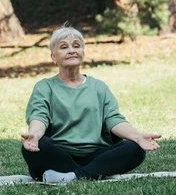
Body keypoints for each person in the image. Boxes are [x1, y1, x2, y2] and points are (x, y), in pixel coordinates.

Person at [21, 24, 161, 184]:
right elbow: (39, 116)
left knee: (135, 149)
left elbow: (114, 120)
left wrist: (138, 136)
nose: (72, 50)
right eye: (64, 47)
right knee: (37, 148)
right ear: (53, 56)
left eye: (76, 46)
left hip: (96, 153)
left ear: (82, 53)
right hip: (59, 154)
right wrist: (35, 135)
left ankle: (71, 176)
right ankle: (96, 171)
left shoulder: (99, 87)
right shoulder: (45, 86)